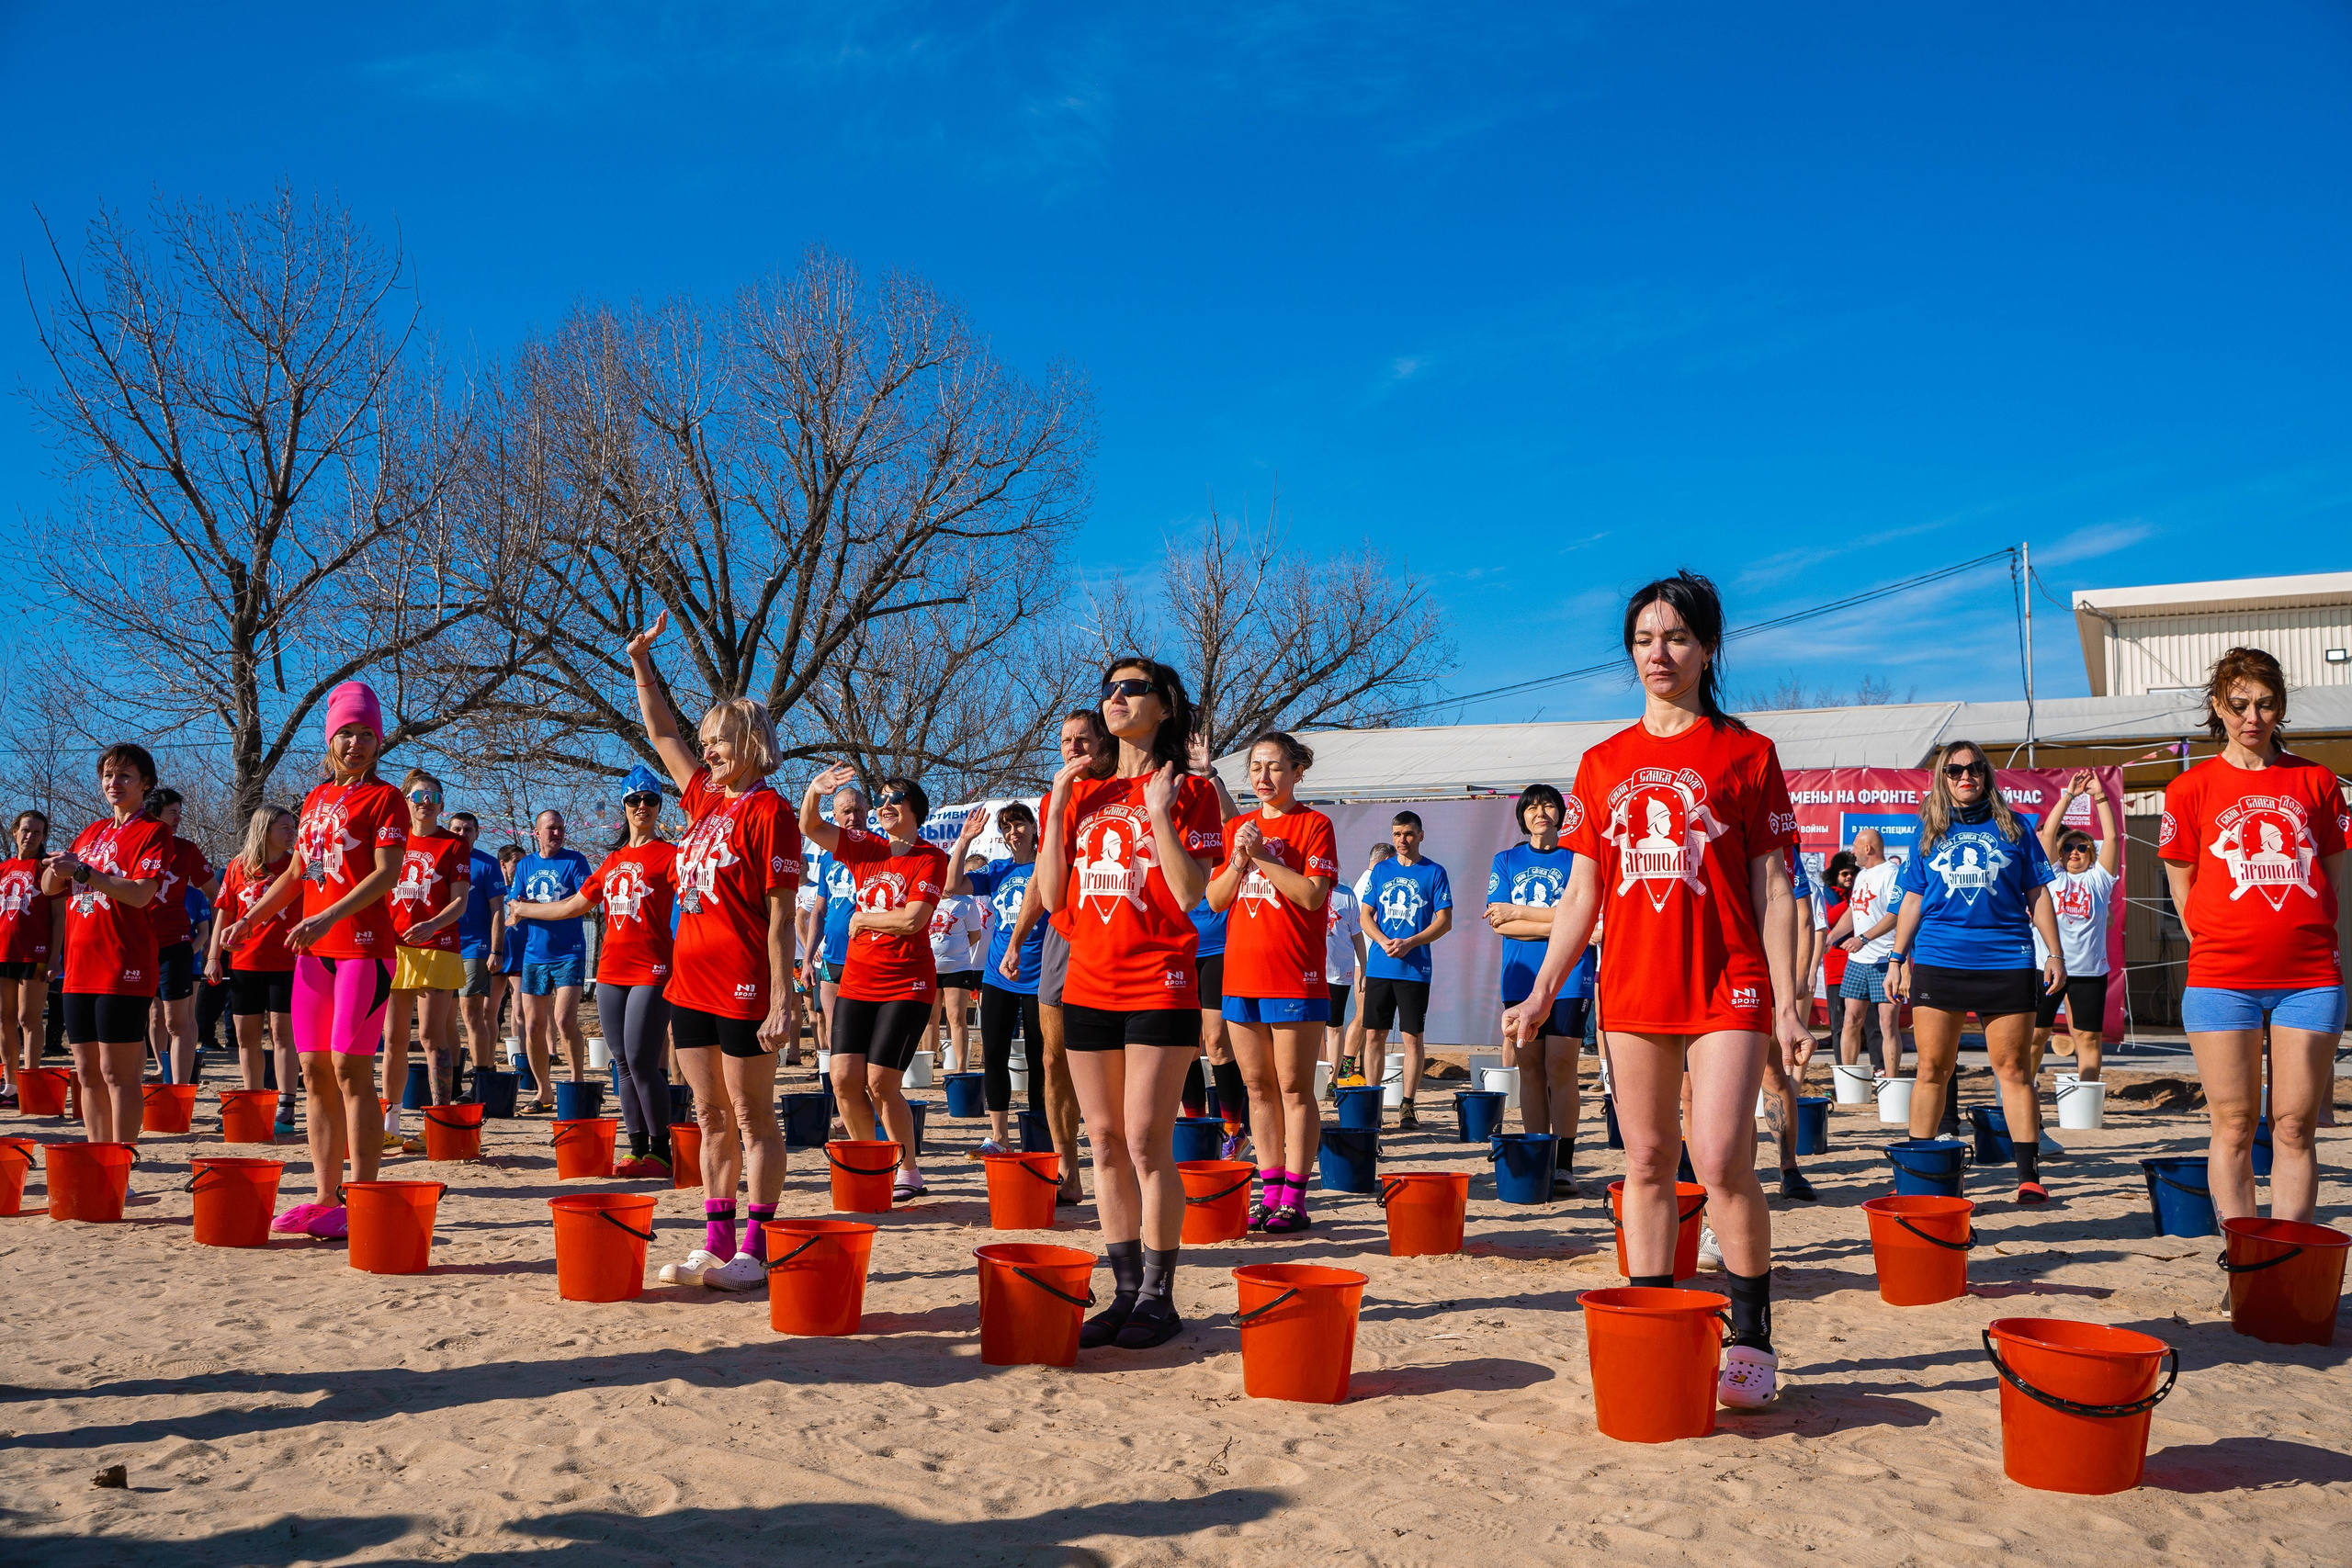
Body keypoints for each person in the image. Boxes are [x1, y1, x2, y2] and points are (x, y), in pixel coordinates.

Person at [1507, 570, 1808, 1409]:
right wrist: (1541, 991)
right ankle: (1654, 1315)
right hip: (1633, 985)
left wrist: (1788, 1000)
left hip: (1728, 983)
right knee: (1643, 1159)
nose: (1658, 653)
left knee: (1717, 1158)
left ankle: (1748, 1335)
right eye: (1643, 639)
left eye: (1675, 637)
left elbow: (1774, 885)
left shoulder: (1746, 754)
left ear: (1708, 647)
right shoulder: (1602, 763)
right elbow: (1581, 893)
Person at [1037, 655, 1226, 1350]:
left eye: (1132, 689)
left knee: (1148, 1140)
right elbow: (1054, 897)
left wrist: (1156, 811)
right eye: (1109, 690)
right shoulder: (1082, 794)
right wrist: (1059, 801)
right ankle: (1121, 1293)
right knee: (1106, 1142)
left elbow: (1191, 895)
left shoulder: (1190, 789)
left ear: (1164, 706)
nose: (1116, 699)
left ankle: (1159, 1295)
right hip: (1087, 982)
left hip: (1160, 984)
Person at [628, 612, 802, 1291]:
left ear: (754, 742)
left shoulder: (771, 810)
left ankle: (755, 1249)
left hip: (745, 983)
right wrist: (643, 663)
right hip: (688, 983)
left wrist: (785, 996)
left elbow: (782, 911)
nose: (708, 752)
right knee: (706, 1114)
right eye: (707, 743)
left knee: (754, 1113)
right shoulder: (703, 799)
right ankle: (716, 1239)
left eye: (720, 741)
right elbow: (661, 731)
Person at [2160, 646, 2346, 1227]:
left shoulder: (2317, 782)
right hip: (2221, 980)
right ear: (2218, 705)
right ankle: (2243, 1261)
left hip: (2310, 980)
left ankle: (2287, 1260)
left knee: (2295, 1126)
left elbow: (2326, 881)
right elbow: (2183, 890)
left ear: (2280, 707)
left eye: (2266, 704)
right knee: (2234, 1125)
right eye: (2239, 704)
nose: (2252, 717)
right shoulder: (2189, 789)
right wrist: (2220, 942)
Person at [217, 682, 408, 1237]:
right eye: (346, 733)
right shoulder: (317, 800)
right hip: (313, 955)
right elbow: (298, 874)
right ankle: (326, 1197)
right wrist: (250, 919)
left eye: (366, 733)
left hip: (364, 952)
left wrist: (328, 915)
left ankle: (363, 1195)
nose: (356, 743)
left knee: (351, 1068)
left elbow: (387, 874)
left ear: (378, 740)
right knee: (312, 1070)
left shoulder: (386, 798)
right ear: (330, 740)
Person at [1886, 739, 2065, 1203]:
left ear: (1986, 775)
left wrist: (2054, 952)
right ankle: (1919, 1171)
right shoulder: (1929, 829)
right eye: (1955, 770)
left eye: (1975, 769)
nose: (1966, 776)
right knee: (1932, 1068)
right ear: (1942, 778)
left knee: (2013, 1069)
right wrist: (1896, 957)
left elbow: (2038, 894)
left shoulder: (2017, 827)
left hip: (2006, 961)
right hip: (1939, 961)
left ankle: (2028, 1177)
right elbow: (1912, 899)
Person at [509, 764, 679, 1178]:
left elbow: (694, 901)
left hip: (652, 970)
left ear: (659, 806)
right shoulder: (614, 859)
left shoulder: (670, 854)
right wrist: (522, 908)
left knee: (641, 1059)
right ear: (624, 805)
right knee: (620, 1061)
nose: (643, 806)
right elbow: (573, 906)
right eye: (635, 800)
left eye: (651, 799)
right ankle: (638, 1150)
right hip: (610, 970)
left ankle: (662, 1151)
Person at [1206, 732, 1337, 1233]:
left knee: (1293, 1088)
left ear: (1298, 771)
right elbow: (1217, 901)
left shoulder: (1315, 824)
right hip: (1240, 975)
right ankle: (1270, 1187)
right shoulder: (1238, 827)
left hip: (1294, 975)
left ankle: (1296, 1198)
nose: (1264, 777)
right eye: (1256, 768)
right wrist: (1239, 860)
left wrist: (1262, 856)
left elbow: (1310, 896)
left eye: (1276, 767)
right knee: (1256, 1088)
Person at [800, 764, 947, 1200]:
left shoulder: (930, 857)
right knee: (844, 1079)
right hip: (857, 982)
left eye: (893, 799)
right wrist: (815, 790)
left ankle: (909, 1169)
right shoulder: (865, 846)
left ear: (915, 810)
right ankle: (869, 1162)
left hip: (907, 984)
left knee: (882, 1081)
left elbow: (912, 919)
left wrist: (863, 918)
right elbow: (811, 825)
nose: (883, 805)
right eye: (879, 799)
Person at [39, 745, 171, 1144]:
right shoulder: (91, 832)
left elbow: (140, 894)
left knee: (118, 1073)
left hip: (122, 965)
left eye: (125, 776)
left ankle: (122, 1162)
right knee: (87, 1073)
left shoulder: (154, 831)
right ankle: (100, 1158)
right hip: (79, 966)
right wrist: (58, 869)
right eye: (109, 776)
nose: (115, 783)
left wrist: (82, 870)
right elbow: (50, 888)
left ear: (145, 783)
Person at [1485, 783, 1596, 1188]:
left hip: (1569, 977)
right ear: (1522, 816)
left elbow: (1589, 920)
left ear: (1561, 813)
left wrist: (1520, 913)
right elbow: (1501, 922)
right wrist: (1563, 922)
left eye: (1548, 805)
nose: (1540, 813)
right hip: (1519, 977)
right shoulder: (1506, 859)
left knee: (1560, 1066)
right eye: (1531, 807)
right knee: (1529, 1066)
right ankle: (1538, 1153)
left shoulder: (1579, 859)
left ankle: (1563, 1162)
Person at [1029, 710, 1115, 1206]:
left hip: (1120, 935)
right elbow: (1044, 880)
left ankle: (1121, 1166)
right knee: (1052, 1057)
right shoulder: (1053, 800)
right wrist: (1020, 939)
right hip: (1065, 938)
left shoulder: (1129, 787)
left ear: (1104, 744)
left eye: (1083, 739)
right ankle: (1068, 1169)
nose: (1073, 747)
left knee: (1115, 1066)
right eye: (1064, 740)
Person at [948, 802, 1048, 1156]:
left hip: (1041, 977)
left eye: (1019, 825)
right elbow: (951, 886)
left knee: (1041, 1058)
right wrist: (962, 842)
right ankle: (1000, 1135)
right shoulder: (997, 869)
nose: (1013, 833)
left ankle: (1039, 1133)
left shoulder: (1049, 866)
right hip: (998, 976)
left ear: (1034, 828)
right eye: (1006, 828)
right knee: (994, 1054)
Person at [383, 769, 470, 1150]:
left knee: (432, 1036)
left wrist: (431, 924)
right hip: (393, 947)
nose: (425, 803)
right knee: (393, 1039)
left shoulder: (453, 845)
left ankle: (438, 1121)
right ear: (406, 802)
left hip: (437, 945)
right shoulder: (390, 842)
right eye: (418, 796)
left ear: (442, 804)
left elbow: (460, 901)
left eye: (433, 796)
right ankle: (391, 1123)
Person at [206, 807, 300, 1125]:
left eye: (293, 827)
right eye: (284, 827)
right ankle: (254, 1100)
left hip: (288, 961)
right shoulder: (238, 866)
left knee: (282, 1034)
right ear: (264, 831)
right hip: (245, 962)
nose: (291, 833)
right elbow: (225, 912)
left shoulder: (297, 866)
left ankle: (286, 1104)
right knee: (246, 1036)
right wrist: (214, 956)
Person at [1359, 811, 1453, 1129]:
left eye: (1409, 834)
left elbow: (1444, 921)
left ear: (1421, 835)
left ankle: (1408, 1105)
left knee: (1412, 1038)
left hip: (1415, 969)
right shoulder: (1381, 870)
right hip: (1381, 966)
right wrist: (1384, 940)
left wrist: (1411, 941)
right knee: (1374, 1035)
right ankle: (1373, 1102)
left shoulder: (1435, 872)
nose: (1402, 840)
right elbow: (1365, 917)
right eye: (1397, 833)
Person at [2033, 770, 2120, 1081]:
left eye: (2082, 847)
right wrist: (2068, 795)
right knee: (2036, 1036)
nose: (2075, 852)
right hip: (2046, 967)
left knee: (2088, 1038)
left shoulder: (2100, 879)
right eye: (2069, 847)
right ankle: (2025, 1096)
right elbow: (2047, 834)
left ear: (2091, 854)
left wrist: (2099, 797)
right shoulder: (2052, 877)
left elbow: (2111, 837)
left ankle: (2086, 1098)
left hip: (2088, 972)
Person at [510, 810, 593, 1115]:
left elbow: (580, 903)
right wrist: (521, 909)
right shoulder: (526, 865)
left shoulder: (575, 861)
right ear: (537, 832)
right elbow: (514, 904)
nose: (556, 833)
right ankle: (543, 1093)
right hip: (534, 954)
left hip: (568, 952)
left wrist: (531, 909)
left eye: (560, 827)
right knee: (532, 1025)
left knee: (564, 1020)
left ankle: (576, 1083)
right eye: (551, 828)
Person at [141, 788, 219, 1087]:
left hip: (175, 945)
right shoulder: (135, 844)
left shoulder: (186, 850)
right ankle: (156, 1072)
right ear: (153, 813)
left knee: (177, 1021)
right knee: (147, 1017)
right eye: (172, 811)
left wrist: (214, 938)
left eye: (179, 811)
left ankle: (180, 1089)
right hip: (134, 944)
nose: (178, 818)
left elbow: (215, 893)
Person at [796, 781, 866, 1066]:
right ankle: (841, 1096)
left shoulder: (880, 851)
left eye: (859, 811)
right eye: (846, 812)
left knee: (865, 1030)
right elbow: (819, 911)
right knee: (837, 1031)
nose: (853, 818)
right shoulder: (827, 859)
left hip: (866, 956)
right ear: (834, 817)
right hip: (832, 957)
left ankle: (869, 1097)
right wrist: (809, 957)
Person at [1826, 829, 1905, 1077]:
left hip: (1885, 960)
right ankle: (1849, 1082)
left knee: (1886, 1026)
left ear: (1868, 849)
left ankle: (1891, 1082)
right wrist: (1832, 937)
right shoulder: (1861, 876)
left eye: (1855, 847)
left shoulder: (1891, 874)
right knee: (1850, 1020)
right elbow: (1853, 910)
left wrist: (1863, 938)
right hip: (1857, 962)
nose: (1852, 851)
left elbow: (1896, 916)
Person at [445, 810, 508, 1085]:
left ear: (477, 833)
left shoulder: (486, 864)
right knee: (445, 1016)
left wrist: (496, 949)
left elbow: (498, 911)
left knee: (472, 1014)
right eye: (457, 829)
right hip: (444, 946)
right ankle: (454, 1078)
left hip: (475, 948)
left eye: (467, 830)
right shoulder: (440, 858)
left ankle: (483, 1076)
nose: (462, 834)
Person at [0, 809, 58, 1108]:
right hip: (3, 953)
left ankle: (31, 1081)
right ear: (14, 832)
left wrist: (54, 957)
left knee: (28, 1018)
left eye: (37, 832)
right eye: (25, 830)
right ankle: (10, 1085)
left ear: (44, 837)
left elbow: (58, 917)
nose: (30, 836)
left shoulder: (46, 868)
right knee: (5, 1018)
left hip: (34, 954)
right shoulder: (4, 867)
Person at [1334, 841, 1394, 1083]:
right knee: (1362, 1015)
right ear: (1383, 860)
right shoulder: (1371, 881)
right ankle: (1346, 1066)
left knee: (1366, 1017)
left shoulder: (1364, 880)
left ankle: (1354, 1065)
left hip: (1366, 958)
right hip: (1366, 959)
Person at [925, 866, 989, 1075]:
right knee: (930, 1017)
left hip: (958, 967)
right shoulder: (927, 899)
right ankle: (928, 1065)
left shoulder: (965, 903)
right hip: (929, 966)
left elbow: (975, 935)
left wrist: (957, 951)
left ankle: (961, 1067)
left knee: (956, 1016)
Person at [1320, 861, 1366, 1100]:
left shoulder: (1347, 895)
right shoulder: (1309, 888)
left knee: (1334, 1025)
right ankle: (1314, 1075)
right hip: (1312, 971)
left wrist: (1364, 969)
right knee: (1311, 1027)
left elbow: (1357, 936)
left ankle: (1331, 1079)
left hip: (1339, 971)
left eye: (1334, 868)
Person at [492, 843, 525, 1056]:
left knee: (520, 1010)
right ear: (503, 864)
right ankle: (486, 1058)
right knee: (488, 1010)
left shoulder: (524, 887)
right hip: (494, 954)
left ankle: (520, 1057)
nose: (522, 866)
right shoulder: (493, 887)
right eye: (517, 862)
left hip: (519, 955)